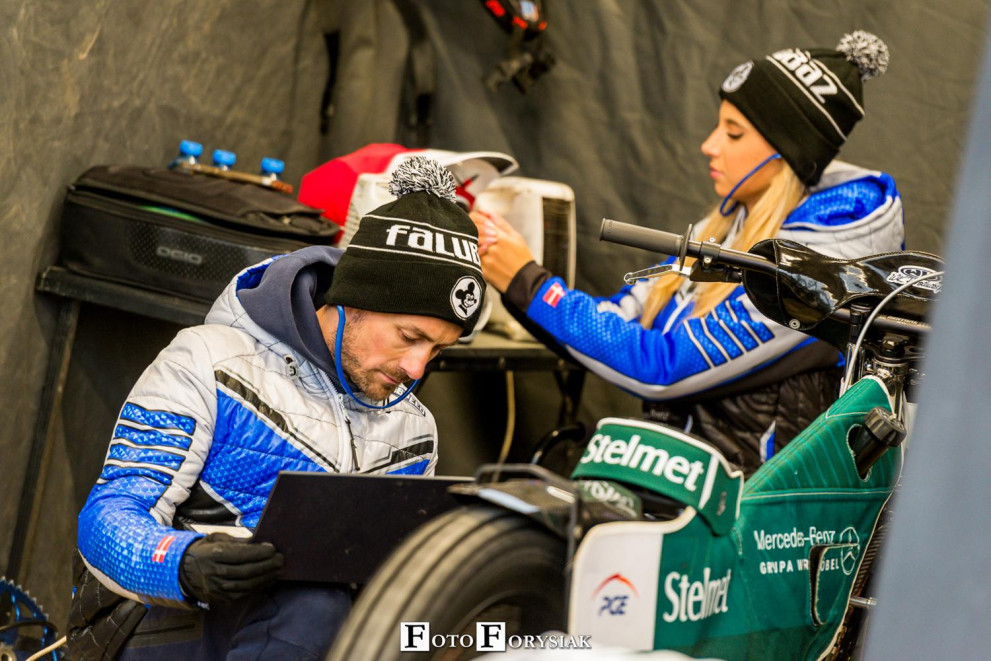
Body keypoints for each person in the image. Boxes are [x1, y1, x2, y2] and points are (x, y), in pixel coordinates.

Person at [66, 156, 486, 660]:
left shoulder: (416, 431)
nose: (418, 368)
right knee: (312, 608)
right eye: (409, 336)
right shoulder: (208, 360)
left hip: (321, 636)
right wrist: (184, 563)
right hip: (166, 620)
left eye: (437, 350)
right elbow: (106, 517)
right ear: (354, 299)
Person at [473, 31, 903, 473]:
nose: (709, 145)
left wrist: (529, 282)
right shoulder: (728, 226)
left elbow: (663, 366)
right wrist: (517, 277)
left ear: (787, 152)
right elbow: (621, 319)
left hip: (753, 507)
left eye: (733, 133)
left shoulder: (818, 275)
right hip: (681, 485)